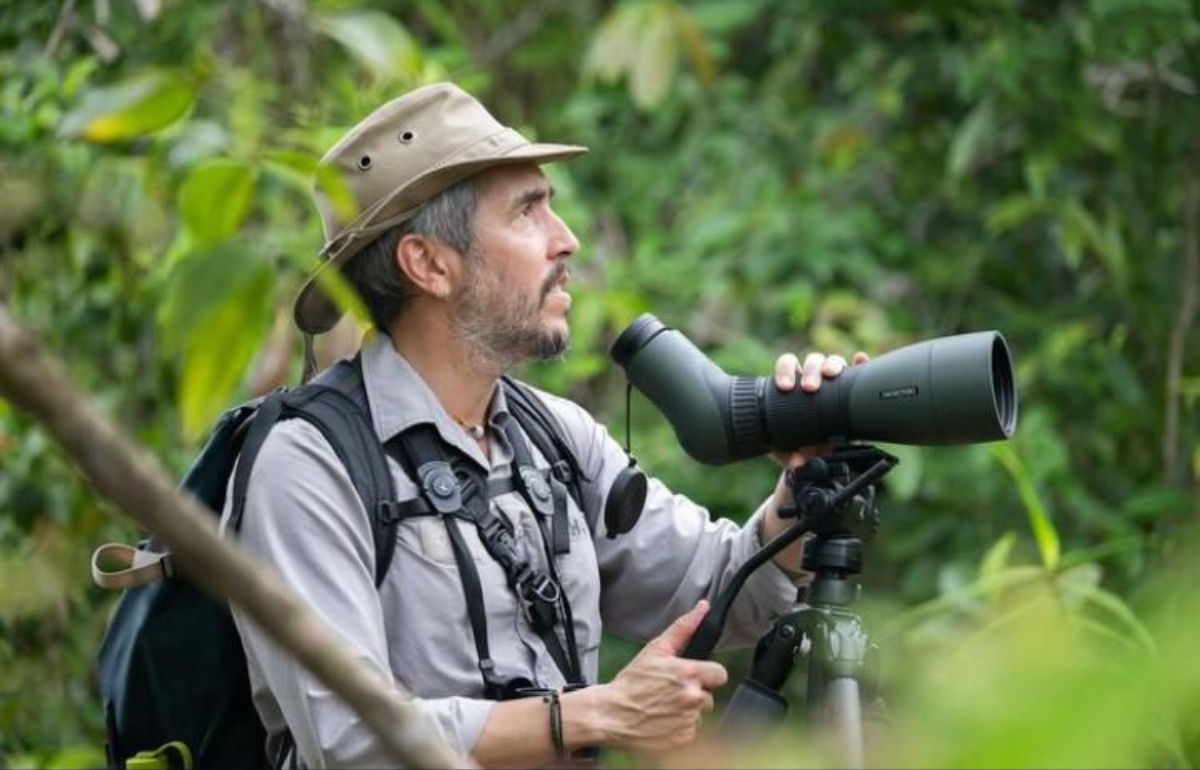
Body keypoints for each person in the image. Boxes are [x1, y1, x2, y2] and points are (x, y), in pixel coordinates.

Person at [225, 82, 866, 768]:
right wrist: (594, 714)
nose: (567, 240)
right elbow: (349, 740)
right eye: (527, 212)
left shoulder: (553, 437)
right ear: (429, 264)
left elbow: (720, 589)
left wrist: (801, 493)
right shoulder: (309, 464)